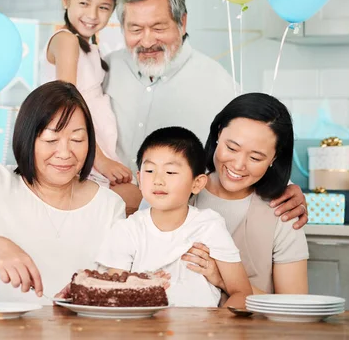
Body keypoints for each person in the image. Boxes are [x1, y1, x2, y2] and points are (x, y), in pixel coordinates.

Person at [105, 0, 308, 226]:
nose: (147, 41)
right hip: (108, 225)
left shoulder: (219, 84)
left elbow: (254, 145)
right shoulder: (103, 71)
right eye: (135, 29)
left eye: (158, 27)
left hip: (178, 232)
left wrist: (286, 187)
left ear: (183, 22)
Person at [0, 81, 126, 305]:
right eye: (51, 140)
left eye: (77, 140)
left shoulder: (108, 205)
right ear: (28, 138)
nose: (65, 153)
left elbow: (114, 284)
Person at [96, 127, 252, 308]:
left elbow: (241, 292)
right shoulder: (127, 230)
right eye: (149, 171)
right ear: (139, 179)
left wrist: (219, 329)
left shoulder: (209, 226)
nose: (158, 180)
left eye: (170, 172)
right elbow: (112, 291)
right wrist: (142, 285)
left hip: (200, 329)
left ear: (197, 183)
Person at [183, 93, 309, 295]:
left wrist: (223, 279)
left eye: (256, 157)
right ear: (218, 134)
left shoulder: (283, 212)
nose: (238, 165)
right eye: (231, 148)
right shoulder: (177, 192)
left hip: (254, 327)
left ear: (274, 158)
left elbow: (293, 306)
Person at [40, 0, 133, 190]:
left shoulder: (90, 48)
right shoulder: (65, 41)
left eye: (103, 7)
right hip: (78, 147)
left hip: (95, 146)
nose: (92, 15)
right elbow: (68, 104)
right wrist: (100, 160)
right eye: (84, 3)